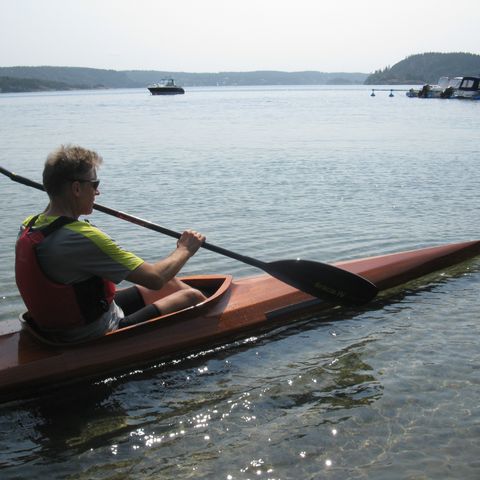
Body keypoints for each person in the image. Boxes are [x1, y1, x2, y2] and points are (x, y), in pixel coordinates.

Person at [15, 144, 206, 343]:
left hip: (55, 328)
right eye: (95, 184)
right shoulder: (79, 238)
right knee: (190, 296)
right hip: (93, 333)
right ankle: (216, 324)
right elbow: (155, 278)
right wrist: (185, 249)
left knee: (172, 282)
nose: (97, 193)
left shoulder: (30, 225)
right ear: (77, 188)